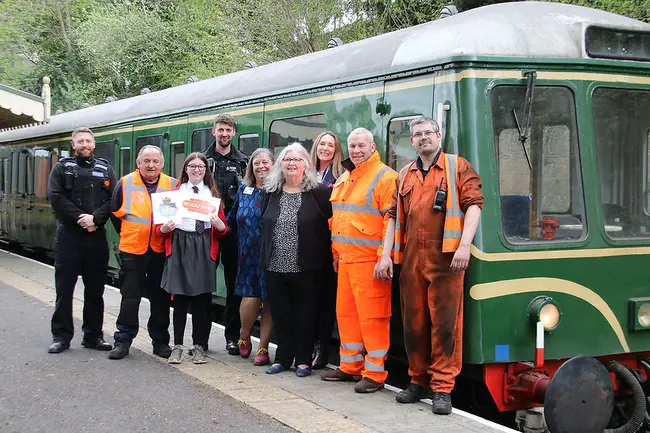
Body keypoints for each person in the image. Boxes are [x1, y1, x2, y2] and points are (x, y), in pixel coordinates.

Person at [383, 116, 483, 415]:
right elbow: (392, 217)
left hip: (447, 260)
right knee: (414, 324)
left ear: (438, 136)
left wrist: (464, 246)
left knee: (445, 326)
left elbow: (474, 205)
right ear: (411, 141)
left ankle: (442, 388)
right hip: (412, 260)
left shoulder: (457, 167)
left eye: (428, 132)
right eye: (417, 134)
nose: (423, 138)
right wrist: (386, 255)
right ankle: (417, 381)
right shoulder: (404, 175)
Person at [321, 127, 397, 394]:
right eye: (352, 146)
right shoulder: (345, 177)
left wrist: (383, 258)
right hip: (346, 261)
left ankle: (375, 372)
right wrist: (336, 254)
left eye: (361, 146)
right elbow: (337, 220)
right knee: (347, 315)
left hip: (370, 263)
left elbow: (392, 221)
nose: (356, 150)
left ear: (373, 147)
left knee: (373, 317)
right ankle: (350, 366)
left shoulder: (385, 177)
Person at [260, 143, 332, 377]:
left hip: (308, 266)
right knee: (281, 314)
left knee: (306, 314)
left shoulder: (320, 193)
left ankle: (303, 360)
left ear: (306, 165)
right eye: (287, 159)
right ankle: (283, 358)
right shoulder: (270, 192)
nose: (291, 163)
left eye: (297, 159)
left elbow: (330, 227)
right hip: (275, 264)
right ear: (281, 165)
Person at [47, 127, 116, 354]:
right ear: (73, 145)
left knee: (95, 291)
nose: (85, 145)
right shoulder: (61, 168)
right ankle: (61, 336)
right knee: (64, 290)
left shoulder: (105, 168)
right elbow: (56, 198)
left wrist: (95, 218)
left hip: (96, 238)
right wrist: (80, 218)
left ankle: (93, 336)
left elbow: (114, 200)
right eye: (80, 142)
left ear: (94, 144)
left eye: (88, 141)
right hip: (69, 237)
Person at [157, 153, 228, 365]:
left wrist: (220, 226)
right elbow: (160, 227)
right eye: (192, 166)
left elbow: (223, 230)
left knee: (201, 300)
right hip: (180, 245)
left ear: (206, 171)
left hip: (204, 245)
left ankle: (199, 345)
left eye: (201, 167)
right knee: (179, 299)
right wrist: (164, 228)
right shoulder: (175, 194)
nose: (197, 170)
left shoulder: (213, 195)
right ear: (185, 169)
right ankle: (177, 345)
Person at [109, 145, 177, 360]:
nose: (151, 165)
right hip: (132, 250)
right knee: (130, 298)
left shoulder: (172, 185)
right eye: (146, 161)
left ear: (162, 164)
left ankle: (160, 342)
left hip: (160, 249)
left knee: (161, 299)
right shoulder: (125, 183)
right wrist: (132, 233)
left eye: (155, 161)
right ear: (138, 163)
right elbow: (114, 213)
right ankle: (123, 341)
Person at [204, 113, 249, 355]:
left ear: (234, 133)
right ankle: (200, 338)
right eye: (220, 129)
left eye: (228, 130)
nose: (224, 134)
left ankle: (233, 337)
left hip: (232, 231)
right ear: (214, 131)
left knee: (234, 286)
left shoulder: (244, 162)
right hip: (205, 230)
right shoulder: (202, 160)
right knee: (202, 283)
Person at [227, 148, 274, 366]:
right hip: (247, 252)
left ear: (274, 166)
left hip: (273, 252)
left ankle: (263, 347)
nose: (262, 167)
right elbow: (231, 218)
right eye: (257, 163)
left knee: (269, 300)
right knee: (250, 298)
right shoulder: (244, 190)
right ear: (251, 167)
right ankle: (244, 333)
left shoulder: (277, 191)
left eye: (266, 162)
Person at [308, 131, 344, 369]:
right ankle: (306, 345)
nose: (326, 148)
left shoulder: (341, 176)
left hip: (329, 245)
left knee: (325, 300)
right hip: (307, 243)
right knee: (307, 299)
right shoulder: (306, 172)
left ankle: (321, 348)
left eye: (331, 145)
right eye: (322, 143)